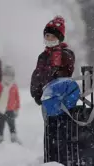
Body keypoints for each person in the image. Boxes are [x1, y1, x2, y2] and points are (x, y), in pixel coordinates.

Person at [29, 16, 76, 162]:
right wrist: (36, 92)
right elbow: (37, 75)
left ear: (59, 37)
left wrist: (57, 65)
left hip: (61, 101)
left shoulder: (66, 54)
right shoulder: (43, 56)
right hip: (46, 100)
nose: (48, 38)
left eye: (52, 35)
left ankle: (61, 160)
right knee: (49, 131)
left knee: (61, 132)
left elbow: (66, 75)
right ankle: (50, 159)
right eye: (46, 35)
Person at [0, 66, 21, 144]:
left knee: (12, 125)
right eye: (6, 75)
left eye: (10, 76)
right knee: (1, 125)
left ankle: (13, 137)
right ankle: (0, 138)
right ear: (3, 76)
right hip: (0, 110)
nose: (8, 77)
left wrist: (17, 108)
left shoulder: (14, 86)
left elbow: (17, 98)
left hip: (10, 109)